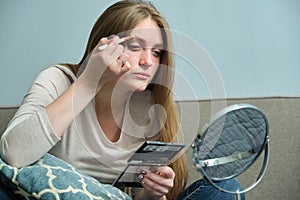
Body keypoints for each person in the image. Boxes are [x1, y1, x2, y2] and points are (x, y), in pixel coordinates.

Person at [0, 0, 244, 199]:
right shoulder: (58, 79)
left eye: (157, 52)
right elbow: (14, 155)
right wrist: (89, 81)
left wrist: (152, 191)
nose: (148, 61)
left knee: (225, 190)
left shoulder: (149, 106)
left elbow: (137, 196)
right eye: (136, 46)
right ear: (104, 46)